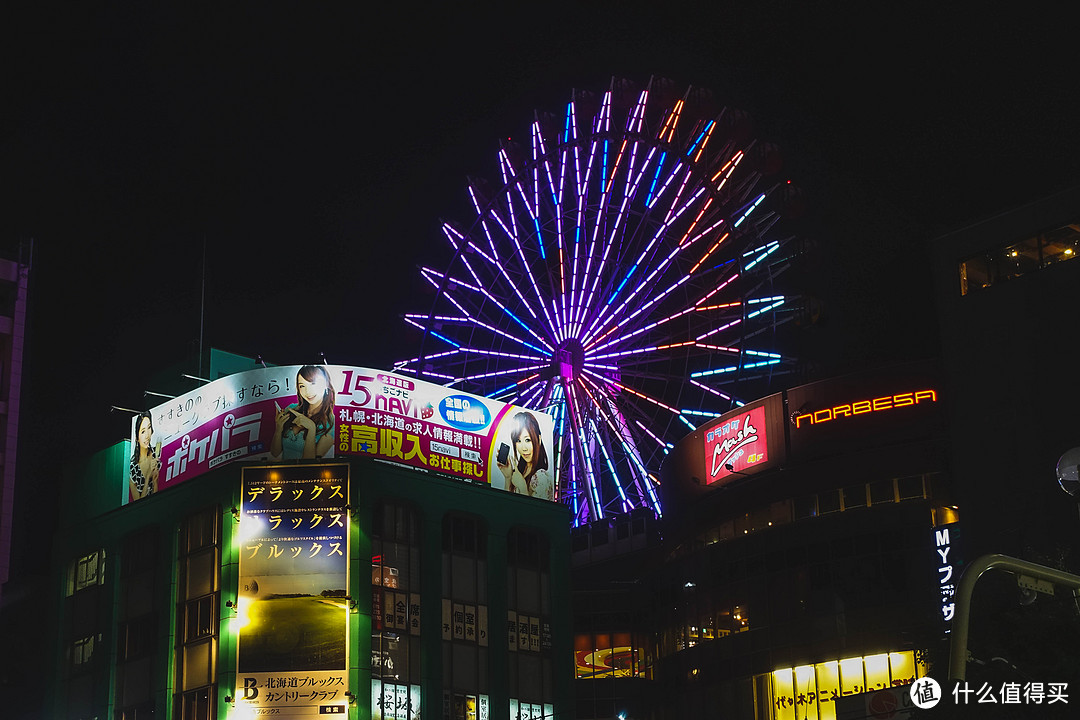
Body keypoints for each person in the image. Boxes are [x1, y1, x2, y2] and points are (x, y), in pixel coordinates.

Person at [271, 365, 336, 460]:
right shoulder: (292, 409)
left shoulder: (331, 423)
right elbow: (275, 453)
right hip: (283, 473)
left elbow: (309, 463)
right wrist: (278, 429)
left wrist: (311, 428)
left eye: (313, 384)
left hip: (310, 475)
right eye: (302, 386)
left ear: (326, 385)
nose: (308, 391)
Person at [496, 411, 553, 501]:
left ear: (539, 439)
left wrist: (522, 487)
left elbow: (538, 513)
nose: (523, 448)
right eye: (518, 441)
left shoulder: (542, 477)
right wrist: (508, 477)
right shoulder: (520, 472)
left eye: (527, 440)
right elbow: (506, 504)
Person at [129, 412, 161, 501]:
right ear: (136, 437)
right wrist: (147, 477)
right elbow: (138, 504)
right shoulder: (133, 470)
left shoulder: (157, 453)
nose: (147, 435)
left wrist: (155, 482)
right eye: (143, 432)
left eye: (149, 428)